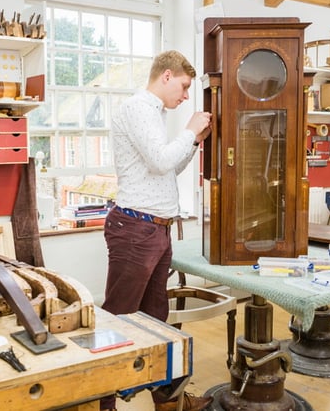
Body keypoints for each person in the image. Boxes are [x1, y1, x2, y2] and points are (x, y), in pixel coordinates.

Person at [100, 50, 212, 411]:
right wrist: (189, 130)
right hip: (136, 228)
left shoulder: (154, 114)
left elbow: (167, 169)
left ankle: (168, 401)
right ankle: (102, 406)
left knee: (155, 322)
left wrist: (193, 143)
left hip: (155, 230)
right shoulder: (138, 108)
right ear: (166, 76)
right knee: (119, 321)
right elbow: (161, 159)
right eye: (183, 86)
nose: (185, 96)